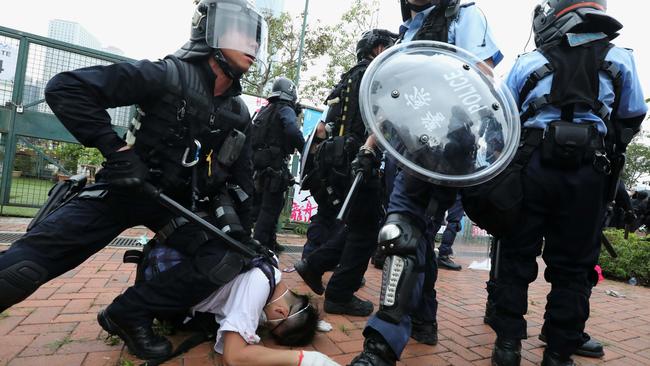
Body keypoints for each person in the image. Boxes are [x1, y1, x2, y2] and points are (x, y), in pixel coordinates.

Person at [0, 0, 270, 361]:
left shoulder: (238, 113)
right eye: (241, 32)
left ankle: (130, 312)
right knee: (20, 270)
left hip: (173, 207)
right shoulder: (166, 74)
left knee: (227, 257)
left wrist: (245, 232)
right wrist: (117, 152)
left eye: (255, 38)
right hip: (122, 190)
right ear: (211, 31)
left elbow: (243, 179)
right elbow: (66, 89)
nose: (251, 45)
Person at [489, 1, 647, 365]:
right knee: (574, 268)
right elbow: (632, 114)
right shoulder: (621, 58)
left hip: (531, 167)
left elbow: (502, 117)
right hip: (588, 173)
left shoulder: (529, 61)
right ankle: (559, 352)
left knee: (514, 257)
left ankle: (508, 345)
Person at [350, 1, 504, 365]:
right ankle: (425, 319)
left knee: (401, 235)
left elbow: (482, 78)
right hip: (407, 144)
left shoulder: (465, 16)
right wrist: (371, 145)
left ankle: (380, 348)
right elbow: (394, 98)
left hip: (446, 145)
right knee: (415, 240)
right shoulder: (409, 31)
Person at [294, 29, 396, 317]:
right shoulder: (376, 75)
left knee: (356, 225)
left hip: (337, 162)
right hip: (360, 158)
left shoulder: (348, 77)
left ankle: (313, 265)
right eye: (386, 47)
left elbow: (325, 127)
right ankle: (340, 293)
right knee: (366, 230)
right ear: (377, 49)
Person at [136, 242, 338, 366]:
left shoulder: (271, 263)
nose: (264, 323)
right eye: (270, 325)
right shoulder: (257, 288)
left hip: (165, 257)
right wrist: (305, 359)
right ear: (281, 310)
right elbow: (234, 357)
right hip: (159, 278)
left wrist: (308, 321)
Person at [251, 77, 305, 252]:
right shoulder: (285, 108)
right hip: (274, 163)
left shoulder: (265, 110)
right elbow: (291, 129)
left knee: (265, 205)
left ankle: (270, 241)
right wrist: (304, 147)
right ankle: (258, 246)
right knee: (270, 207)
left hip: (259, 164)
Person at [430, 193, 464, 271]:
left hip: (440, 186)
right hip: (457, 187)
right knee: (454, 222)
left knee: (435, 219)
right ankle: (443, 255)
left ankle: (426, 250)